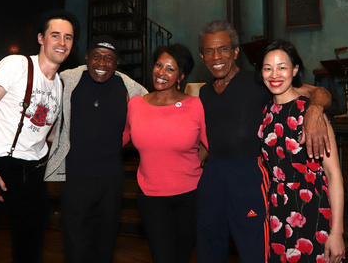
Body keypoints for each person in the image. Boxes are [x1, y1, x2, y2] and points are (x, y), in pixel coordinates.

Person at [196, 20, 332, 263]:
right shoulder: (204, 93)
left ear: (235, 52)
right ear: (202, 56)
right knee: (209, 248)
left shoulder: (259, 82)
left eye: (223, 49)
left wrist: (315, 109)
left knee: (254, 250)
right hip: (213, 178)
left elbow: (318, 92)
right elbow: (209, 141)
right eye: (209, 51)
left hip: (249, 177)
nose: (216, 56)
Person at [0, 10, 79, 263]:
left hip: (34, 173)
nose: (62, 43)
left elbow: (49, 134)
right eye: (55, 35)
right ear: (41, 38)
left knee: (31, 247)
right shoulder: (16, 65)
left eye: (68, 37)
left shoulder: (60, 85)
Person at [44, 35, 147, 263]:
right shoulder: (66, 80)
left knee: (105, 242)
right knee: (75, 242)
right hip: (74, 178)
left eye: (109, 58)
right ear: (87, 57)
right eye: (97, 56)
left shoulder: (131, 89)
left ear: (116, 62)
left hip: (111, 180)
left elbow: (152, 116)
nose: (102, 64)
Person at [256, 40, 345, 263]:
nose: (274, 74)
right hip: (276, 212)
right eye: (268, 68)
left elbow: (333, 175)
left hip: (312, 211)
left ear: (295, 70)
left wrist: (337, 233)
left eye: (282, 67)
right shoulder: (266, 112)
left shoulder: (312, 113)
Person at [123, 43, 207, 263]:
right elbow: (117, 140)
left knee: (182, 256)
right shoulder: (136, 105)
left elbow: (208, 145)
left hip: (190, 196)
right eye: (159, 65)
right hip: (151, 198)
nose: (161, 73)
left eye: (170, 69)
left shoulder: (196, 105)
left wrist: (189, 167)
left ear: (182, 75)